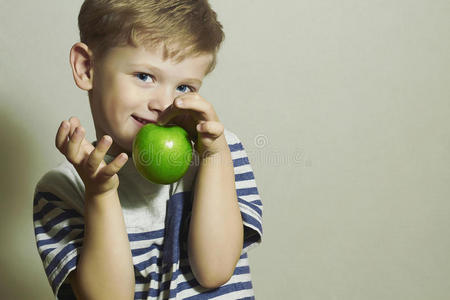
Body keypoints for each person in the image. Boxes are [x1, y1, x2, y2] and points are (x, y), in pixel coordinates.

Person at [33, 0, 263, 299]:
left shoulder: (218, 151)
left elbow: (215, 269)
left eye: (184, 87)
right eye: (145, 76)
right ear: (86, 67)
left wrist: (215, 156)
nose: (163, 103)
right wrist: (100, 195)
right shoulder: (64, 187)